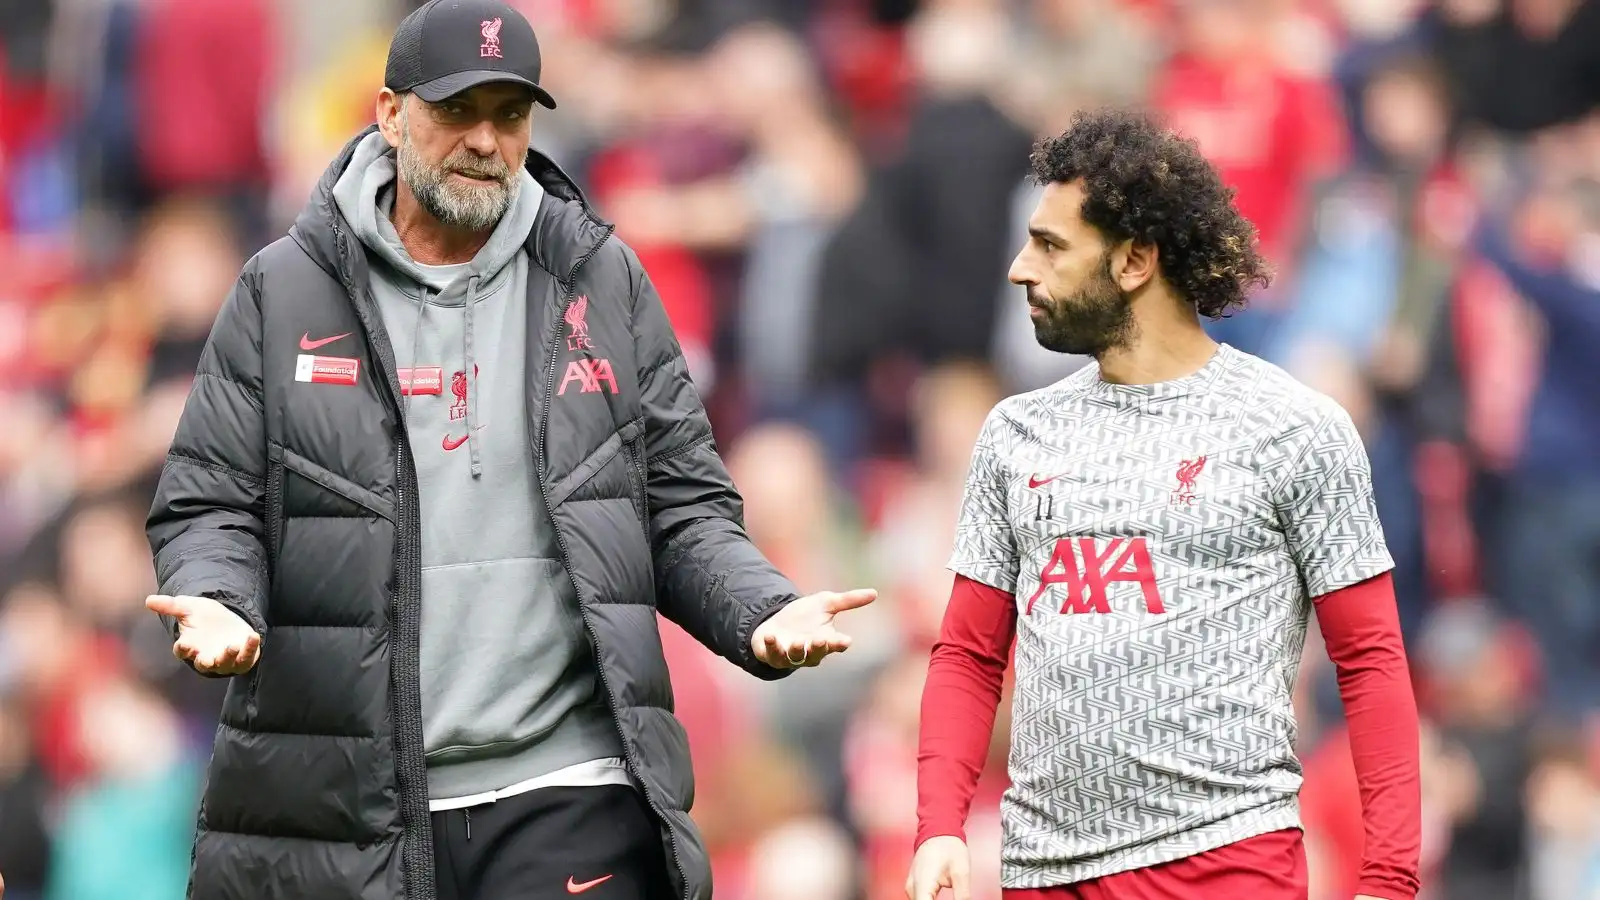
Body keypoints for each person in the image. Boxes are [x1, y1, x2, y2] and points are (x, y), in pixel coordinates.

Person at [141, 3, 875, 899]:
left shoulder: (602, 278)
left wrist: (759, 606)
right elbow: (212, 498)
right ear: (387, 113)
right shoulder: (282, 290)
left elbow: (680, 506)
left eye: (511, 114)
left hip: (566, 784)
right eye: (457, 110)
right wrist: (220, 599)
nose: (487, 140)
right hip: (352, 801)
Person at [904, 108, 1422, 900]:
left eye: (1049, 245)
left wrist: (1389, 880)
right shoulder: (1015, 434)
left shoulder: (1293, 428)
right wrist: (939, 823)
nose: (1018, 268)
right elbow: (970, 655)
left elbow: (1371, 662)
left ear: (1135, 261)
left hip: (1226, 868)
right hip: (1043, 873)